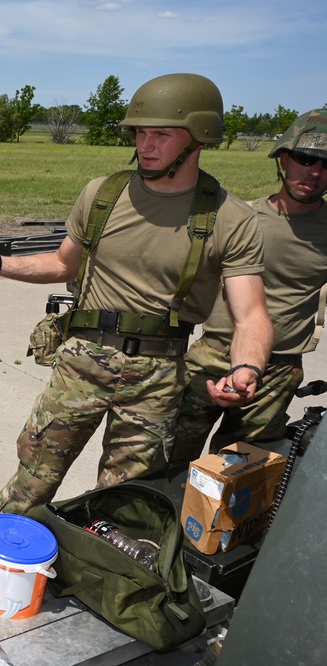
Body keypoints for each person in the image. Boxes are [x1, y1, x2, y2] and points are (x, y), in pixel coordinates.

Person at [0, 73, 272, 516]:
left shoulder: (229, 218)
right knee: (32, 478)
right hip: (82, 360)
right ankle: (1, 566)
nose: (145, 145)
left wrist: (247, 367)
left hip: (157, 374)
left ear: (198, 140)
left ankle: (98, 573)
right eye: (139, 133)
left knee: (125, 499)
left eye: (161, 135)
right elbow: (63, 264)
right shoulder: (103, 194)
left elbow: (250, 314)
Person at [170, 108, 327, 465]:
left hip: (278, 370)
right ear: (284, 160)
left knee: (239, 475)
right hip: (213, 354)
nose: (315, 173)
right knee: (165, 457)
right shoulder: (240, 218)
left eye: (326, 164)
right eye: (306, 159)